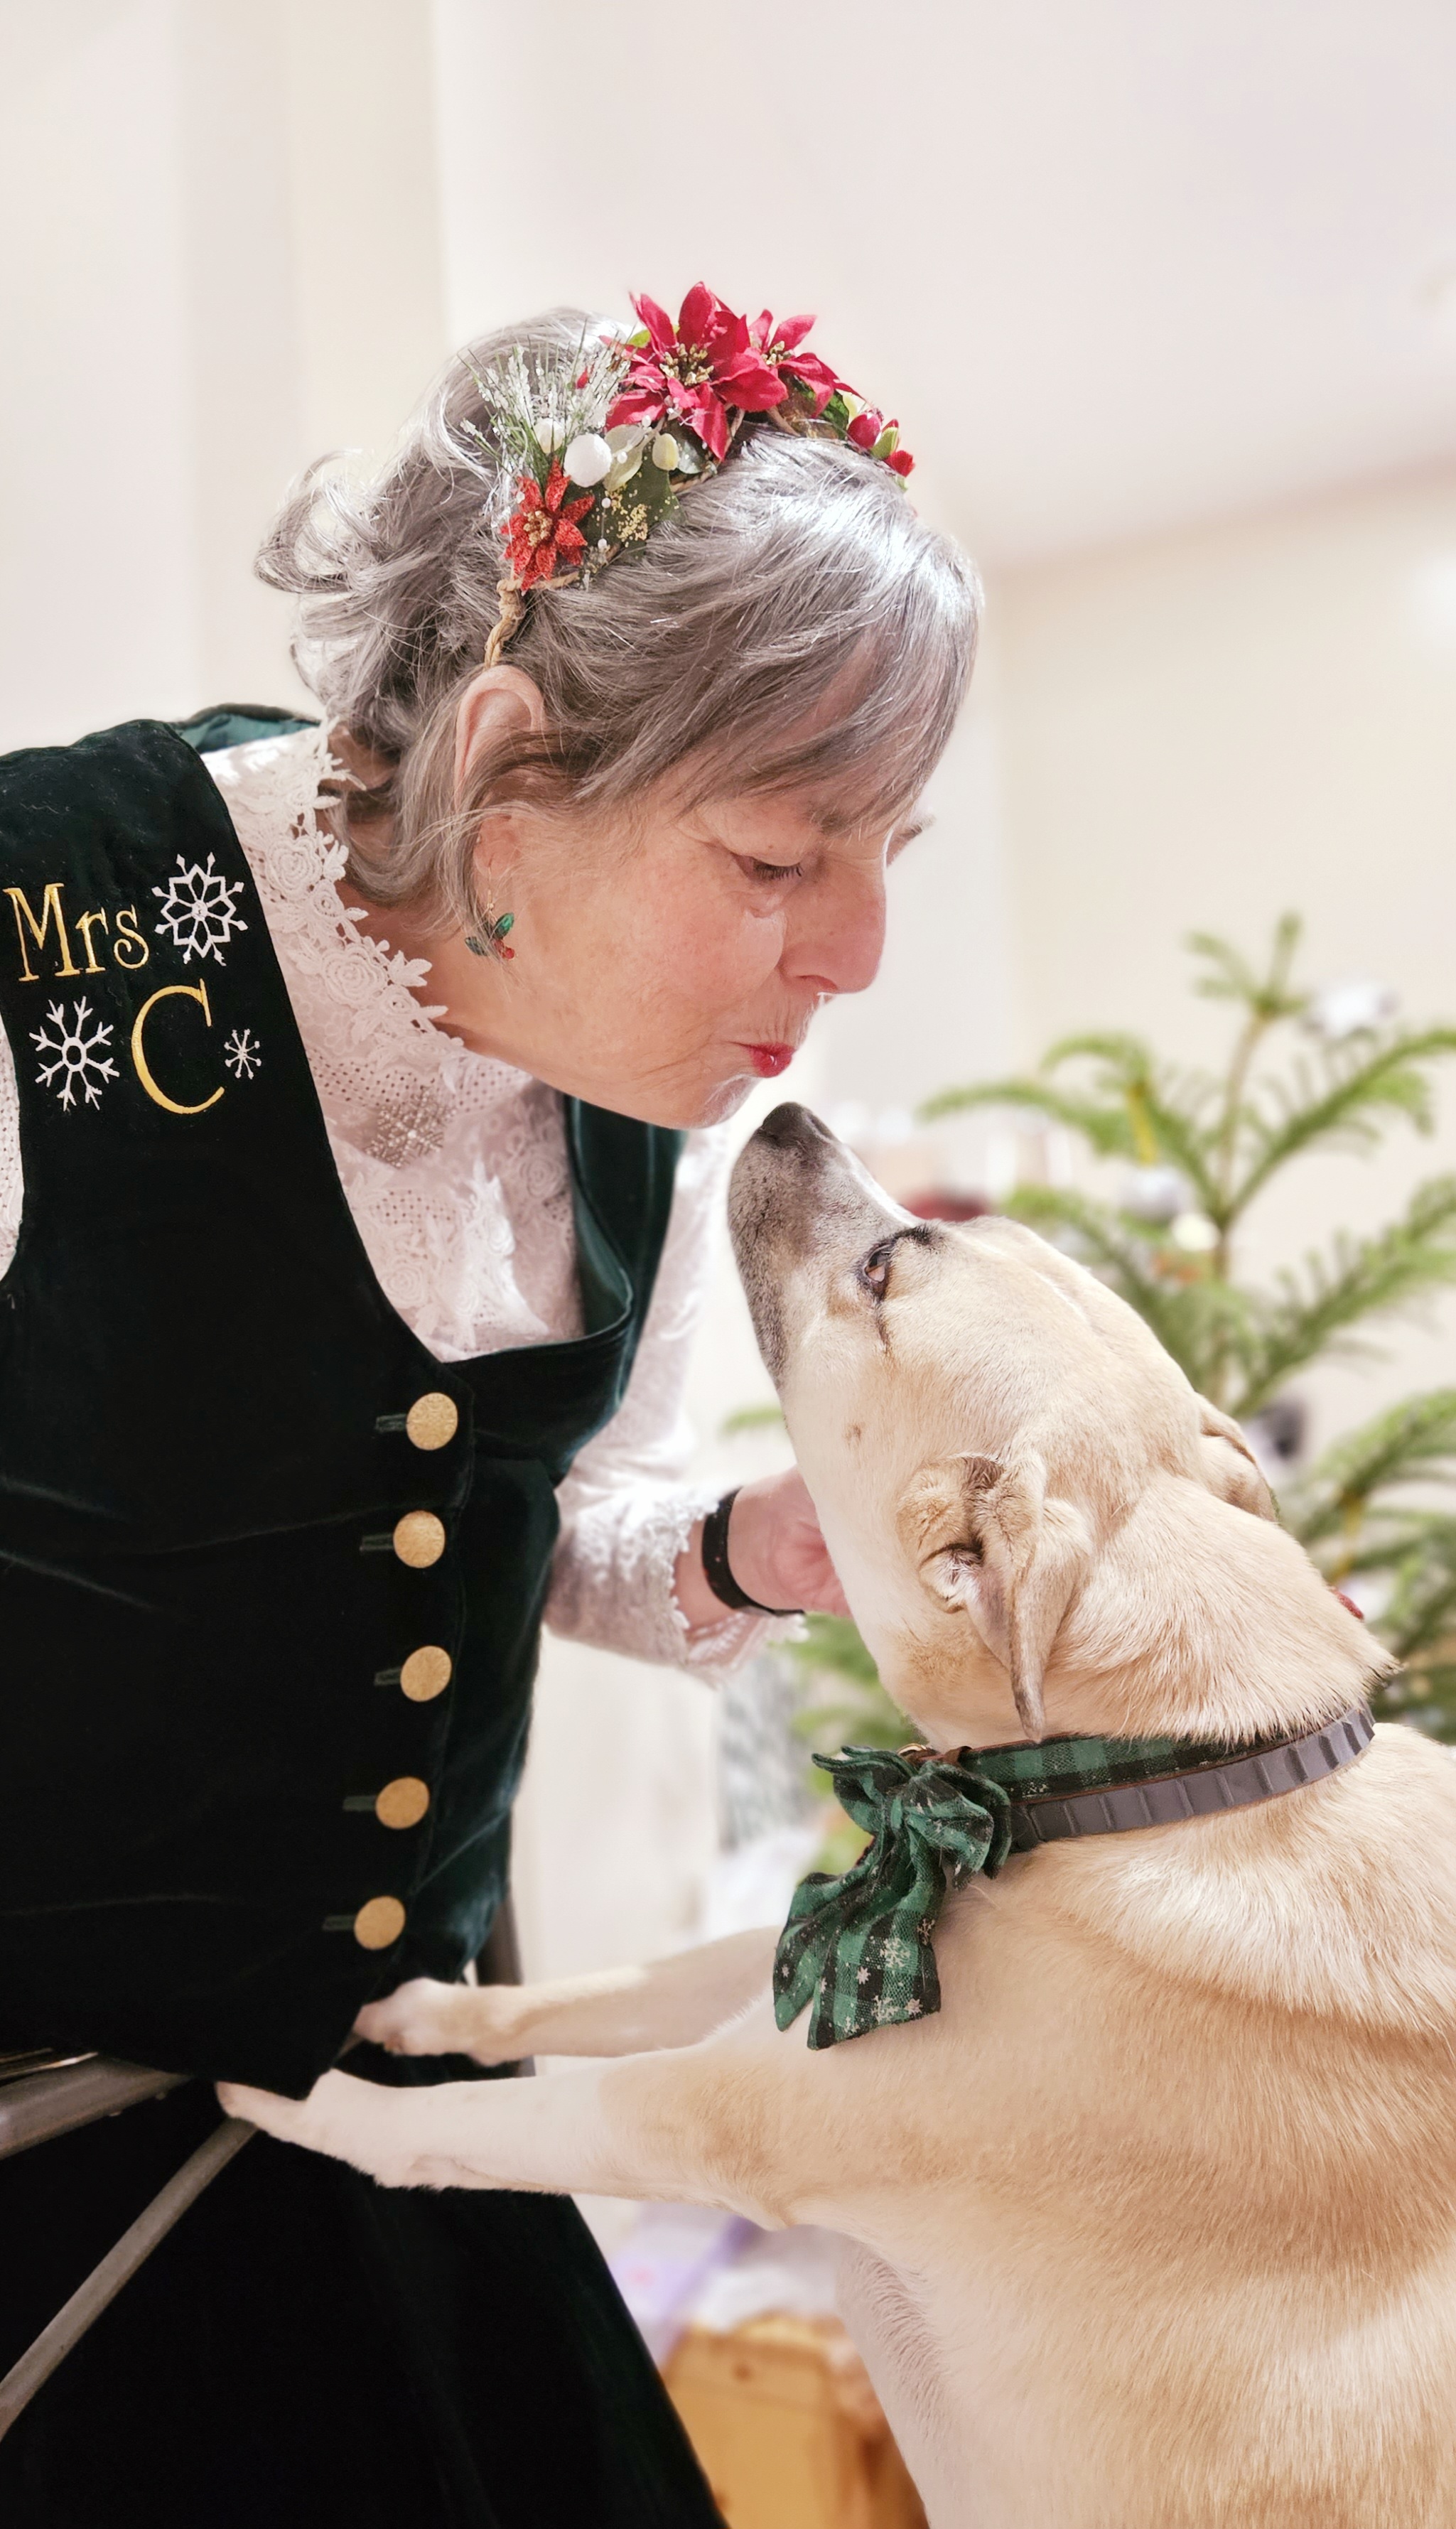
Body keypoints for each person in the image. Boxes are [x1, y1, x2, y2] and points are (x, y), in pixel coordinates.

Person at [0, 289, 978, 2525]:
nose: (850, 955)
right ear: (512, 768)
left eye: (883, 860)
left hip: (409, 2145)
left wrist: (743, 1549)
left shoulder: (628, 1093)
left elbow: (533, 1511)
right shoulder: (51, 926)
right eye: (773, 859)